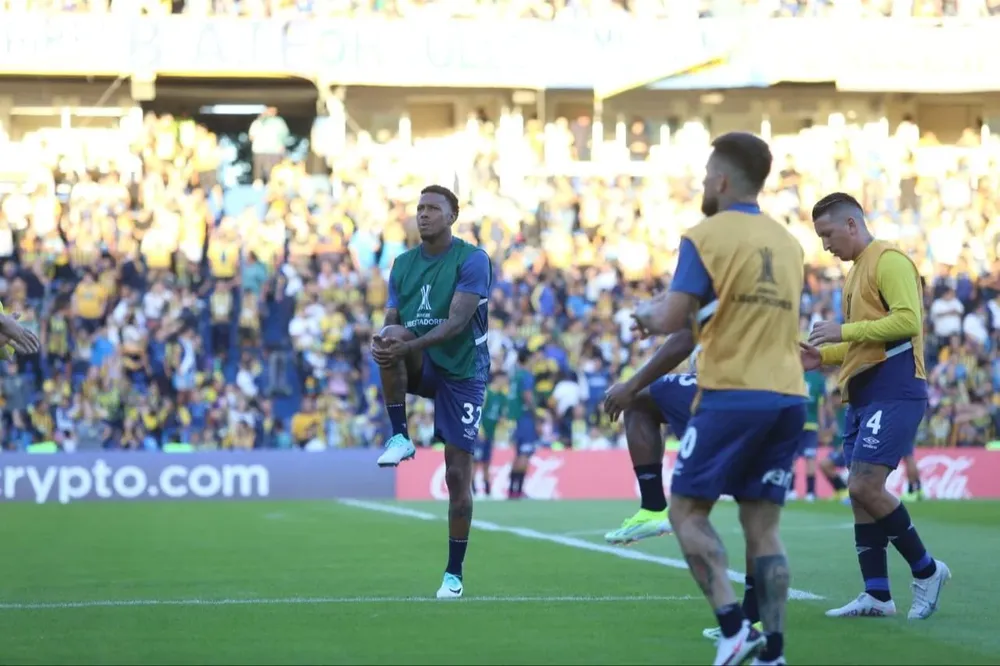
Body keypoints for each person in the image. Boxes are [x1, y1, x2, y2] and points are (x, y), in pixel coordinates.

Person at [631, 132, 805, 666]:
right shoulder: (789, 243)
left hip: (732, 392)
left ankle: (733, 629)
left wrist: (644, 313)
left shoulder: (705, 236)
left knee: (685, 512)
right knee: (763, 528)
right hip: (788, 396)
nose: (705, 184)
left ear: (723, 180)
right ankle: (773, 651)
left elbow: (670, 318)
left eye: (708, 176)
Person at [802, 191, 949, 620]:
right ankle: (877, 594)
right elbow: (865, 344)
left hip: (895, 387)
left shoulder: (889, 260)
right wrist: (821, 356)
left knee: (865, 486)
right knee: (859, 494)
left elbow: (908, 320)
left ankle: (927, 570)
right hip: (865, 392)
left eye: (828, 234)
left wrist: (844, 331)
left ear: (851, 224)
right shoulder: (855, 273)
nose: (826, 245)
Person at [370, 184, 493, 600]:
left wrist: (406, 346)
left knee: (457, 476)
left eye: (432, 208)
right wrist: (383, 342)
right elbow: (392, 318)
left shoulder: (472, 259)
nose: (423, 214)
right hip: (423, 360)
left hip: (463, 371)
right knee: (389, 338)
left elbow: (457, 323)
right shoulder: (403, 264)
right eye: (420, 208)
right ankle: (399, 436)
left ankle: (453, 575)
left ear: (452, 217)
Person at [602, 330, 698, 545]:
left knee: (636, 398)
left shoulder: (714, 308)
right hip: (771, 396)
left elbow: (686, 337)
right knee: (757, 514)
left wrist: (630, 386)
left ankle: (652, 508)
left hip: (730, 390)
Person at [787, 369, 827, 502]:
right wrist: (822, 426)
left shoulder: (794, 374)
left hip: (795, 422)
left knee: (792, 458)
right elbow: (820, 405)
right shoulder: (819, 379)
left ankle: (791, 490)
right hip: (811, 425)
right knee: (810, 458)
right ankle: (810, 492)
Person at [507, 348, 538, 500]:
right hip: (524, 418)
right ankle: (518, 490)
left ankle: (512, 490)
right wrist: (536, 414)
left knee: (518, 454)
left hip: (515, 418)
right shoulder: (526, 375)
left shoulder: (515, 375)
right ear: (528, 359)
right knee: (525, 454)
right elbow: (527, 396)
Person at [473, 372, 507, 497]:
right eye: (504, 379)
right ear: (498, 379)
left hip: (491, 434)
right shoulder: (487, 393)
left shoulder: (502, 396)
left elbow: (500, 415)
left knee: (487, 461)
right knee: (476, 461)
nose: (505, 382)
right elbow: (478, 410)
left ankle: (487, 488)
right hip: (481, 432)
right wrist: (479, 429)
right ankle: (472, 488)